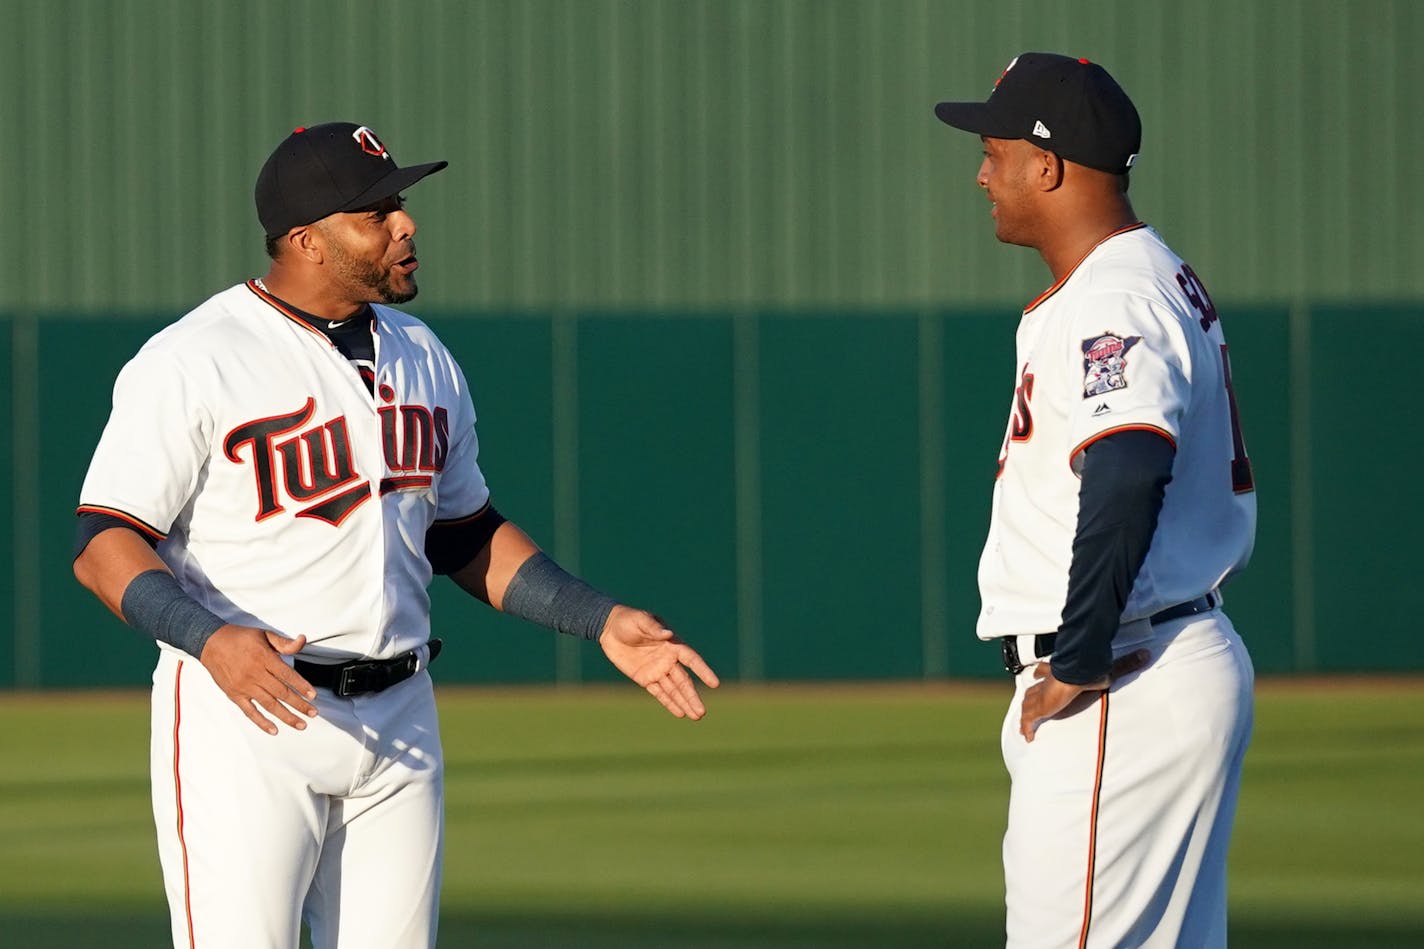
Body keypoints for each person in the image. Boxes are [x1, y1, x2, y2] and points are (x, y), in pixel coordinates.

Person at [71, 121, 719, 949]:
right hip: (249, 722)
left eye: (399, 204)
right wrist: (210, 639)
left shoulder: (422, 354)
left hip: (400, 716)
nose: (404, 225)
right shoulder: (196, 358)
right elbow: (104, 541)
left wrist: (598, 618)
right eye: (375, 211)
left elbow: (464, 534)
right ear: (305, 239)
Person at [933, 55, 1256, 947]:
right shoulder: (1133, 277)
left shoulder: (1113, 292)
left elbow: (1127, 464)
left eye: (994, 151)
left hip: (1121, 674)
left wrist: (1077, 656)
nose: (981, 173)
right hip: (1154, 657)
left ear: (1048, 165)